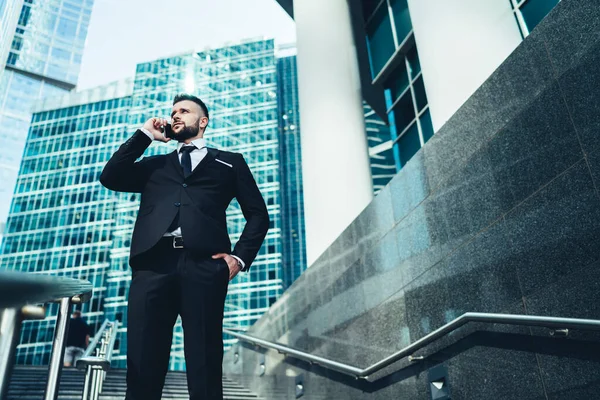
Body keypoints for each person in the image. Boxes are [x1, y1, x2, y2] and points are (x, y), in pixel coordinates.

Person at [99, 93, 269, 400]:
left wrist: (239, 259)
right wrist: (145, 135)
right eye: (173, 111)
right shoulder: (155, 165)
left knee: (204, 362)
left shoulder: (229, 163)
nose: (176, 115)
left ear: (202, 122)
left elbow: (258, 216)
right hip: (152, 265)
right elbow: (111, 177)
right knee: (142, 363)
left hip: (205, 267)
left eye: (184, 111)